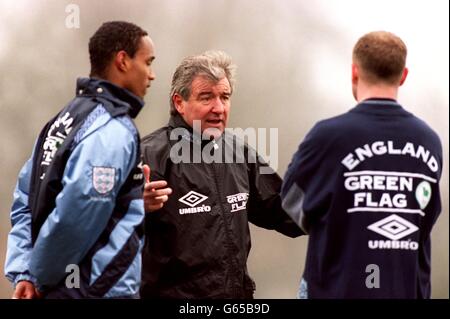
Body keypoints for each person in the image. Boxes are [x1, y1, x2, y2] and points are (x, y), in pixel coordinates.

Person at [281, 31, 442, 298]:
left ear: (354, 72)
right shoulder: (429, 141)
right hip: (404, 289)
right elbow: (426, 218)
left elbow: (292, 203)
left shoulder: (327, 136)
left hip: (335, 290)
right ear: (403, 75)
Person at [4, 21, 156, 298]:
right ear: (123, 61)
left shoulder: (63, 120)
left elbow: (25, 198)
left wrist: (25, 270)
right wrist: (38, 277)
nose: (152, 75)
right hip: (95, 290)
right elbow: (77, 214)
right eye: (148, 62)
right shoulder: (112, 129)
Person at [140, 50, 302, 298]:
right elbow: (104, 232)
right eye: (206, 97)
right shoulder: (149, 155)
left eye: (224, 97)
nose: (218, 108)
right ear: (179, 102)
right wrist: (135, 206)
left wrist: (340, 207)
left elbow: (284, 210)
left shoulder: (239, 153)